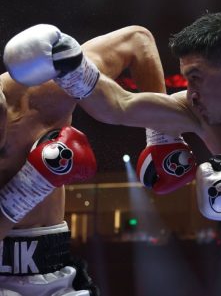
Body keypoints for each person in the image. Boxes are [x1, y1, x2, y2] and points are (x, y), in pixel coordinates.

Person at [3, 11, 221, 295]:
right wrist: (70, 65)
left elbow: (136, 41)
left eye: (196, 78)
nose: (189, 92)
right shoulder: (195, 114)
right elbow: (119, 105)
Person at [0, 24, 169, 296]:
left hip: (57, 274)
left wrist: (163, 137)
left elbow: (138, 41)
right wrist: (31, 185)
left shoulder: (42, 94)